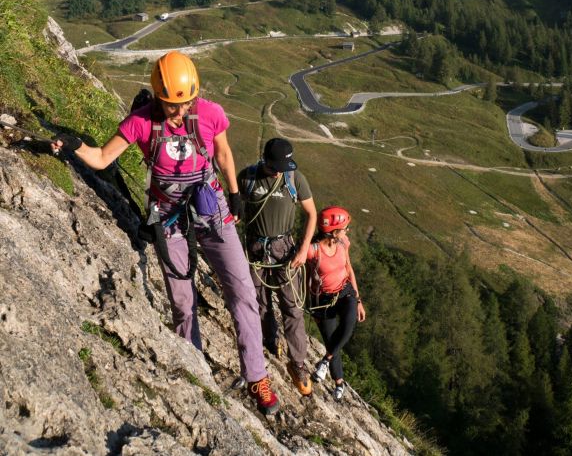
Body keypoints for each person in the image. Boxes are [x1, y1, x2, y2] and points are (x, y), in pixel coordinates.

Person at [51, 51, 279, 415]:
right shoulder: (140, 122)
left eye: (186, 102)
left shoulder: (209, 113)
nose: (180, 111)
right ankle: (195, 367)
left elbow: (222, 153)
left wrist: (234, 194)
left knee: (242, 291)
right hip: (169, 217)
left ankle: (256, 376)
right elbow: (102, 158)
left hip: (211, 208)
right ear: (158, 96)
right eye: (172, 105)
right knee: (183, 302)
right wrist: (75, 146)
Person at [238, 138, 317, 396]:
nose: (280, 170)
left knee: (292, 307)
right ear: (266, 160)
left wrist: (304, 249)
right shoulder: (248, 178)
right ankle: (270, 342)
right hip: (256, 250)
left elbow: (311, 214)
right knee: (259, 302)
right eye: (276, 166)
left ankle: (298, 364)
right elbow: (234, 209)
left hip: (285, 251)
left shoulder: (294, 179)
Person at [307, 206, 366, 401]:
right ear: (333, 232)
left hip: (345, 292)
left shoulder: (343, 244)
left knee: (348, 324)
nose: (347, 231)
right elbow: (298, 264)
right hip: (322, 300)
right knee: (332, 339)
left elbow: (349, 269)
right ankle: (339, 383)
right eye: (344, 228)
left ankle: (325, 361)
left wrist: (357, 300)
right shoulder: (313, 250)